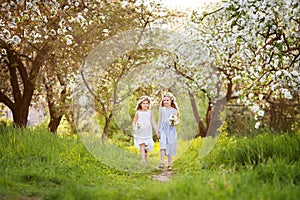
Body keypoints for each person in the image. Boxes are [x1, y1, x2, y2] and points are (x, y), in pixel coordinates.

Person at [157, 92, 179, 171]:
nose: (166, 102)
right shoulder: (161, 109)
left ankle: (169, 164)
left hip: (171, 129)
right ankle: (162, 162)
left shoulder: (174, 110)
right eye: (164, 100)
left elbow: (177, 120)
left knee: (170, 145)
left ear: (171, 101)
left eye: (167, 100)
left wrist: (174, 123)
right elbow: (159, 120)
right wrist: (157, 131)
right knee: (162, 144)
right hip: (163, 129)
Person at [133, 96, 158, 164]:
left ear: (148, 104)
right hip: (140, 131)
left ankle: (145, 160)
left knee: (146, 146)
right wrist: (135, 128)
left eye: (147, 103)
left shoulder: (150, 112)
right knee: (142, 144)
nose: (145, 105)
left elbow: (153, 121)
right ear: (140, 104)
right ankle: (143, 160)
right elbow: (134, 122)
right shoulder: (138, 113)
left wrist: (157, 130)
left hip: (147, 131)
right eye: (143, 103)